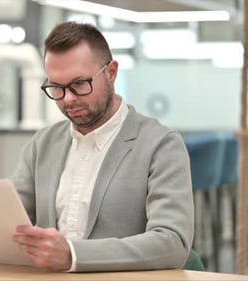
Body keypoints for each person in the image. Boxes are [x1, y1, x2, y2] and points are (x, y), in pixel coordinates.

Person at [11, 21, 194, 272]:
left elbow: (172, 243)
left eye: (79, 84)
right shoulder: (42, 144)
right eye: (57, 87)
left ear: (111, 73)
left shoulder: (160, 145)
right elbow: (11, 225)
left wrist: (73, 255)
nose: (68, 99)